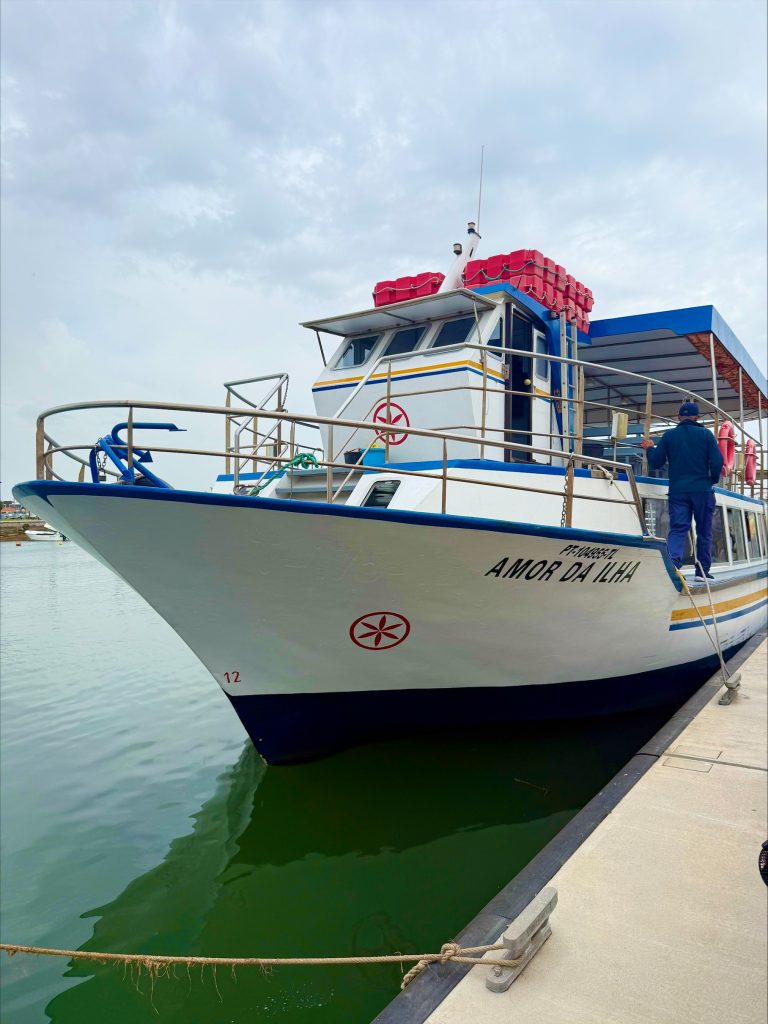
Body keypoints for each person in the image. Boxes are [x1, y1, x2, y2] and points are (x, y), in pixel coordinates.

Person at [639, 401, 724, 581]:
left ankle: (674, 567)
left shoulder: (670, 436)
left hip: (678, 491)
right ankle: (702, 572)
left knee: (678, 529)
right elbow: (717, 463)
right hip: (702, 491)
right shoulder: (706, 435)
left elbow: (656, 462)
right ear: (697, 418)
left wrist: (650, 448)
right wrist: (712, 480)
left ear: (678, 417)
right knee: (704, 531)